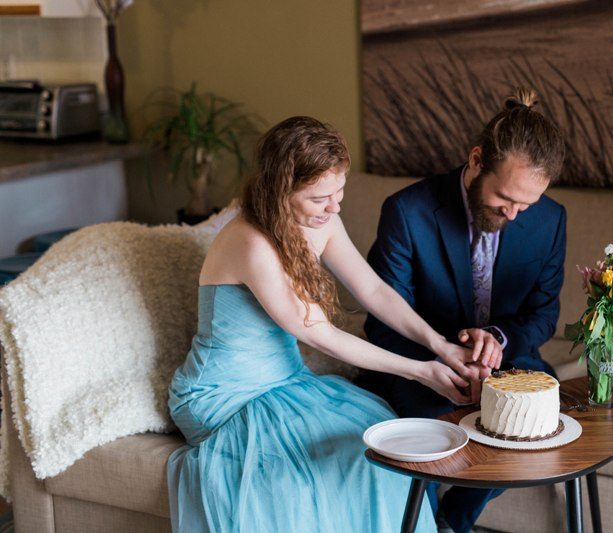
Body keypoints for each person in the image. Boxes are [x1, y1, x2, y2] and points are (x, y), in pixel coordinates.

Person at [167, 116, 478, 532]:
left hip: (286, 382)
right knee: (320, 471)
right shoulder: (250, 242)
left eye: (340, 191)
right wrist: (421, 371)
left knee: (374, 448)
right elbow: (318, 332)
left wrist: (440, 346)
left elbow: (373, 291)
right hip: (225, 397)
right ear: (281, 192)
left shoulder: (323, 221)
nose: (334, 207)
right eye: (319, 198)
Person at [361, 87, 567, 533]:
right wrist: (442, 361)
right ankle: (429, 522)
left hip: (509, 364)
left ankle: (454, 521)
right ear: (476, 160)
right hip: (419, 363)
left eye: (526, 205)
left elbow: (543, 315)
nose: (514, 215)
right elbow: (383, 320)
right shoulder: (407, 211)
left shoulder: (550, 220)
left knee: (533, 434)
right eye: (505, 199)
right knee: (435, 440)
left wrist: (500, 340)